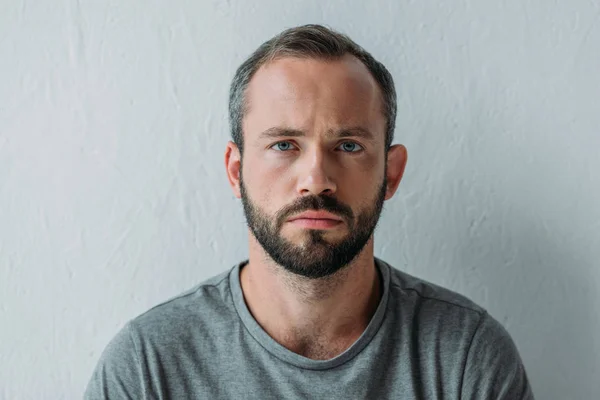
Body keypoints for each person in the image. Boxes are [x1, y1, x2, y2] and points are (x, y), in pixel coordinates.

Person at [85, 24, 534, 399]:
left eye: (348, 146)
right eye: (284, 145)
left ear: (391, 173)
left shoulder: (466, 358)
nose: (316, 178)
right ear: (236, 170)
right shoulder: (148, 368)